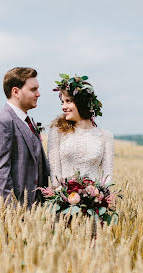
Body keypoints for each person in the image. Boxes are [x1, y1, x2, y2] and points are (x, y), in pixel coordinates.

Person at [0, 67, 50, 208]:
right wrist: (12, 214)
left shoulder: (28, 121)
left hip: (36, 213)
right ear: (16, 92)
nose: (38, 94)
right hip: (15, 215)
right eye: (33, 89)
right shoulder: (1, 122)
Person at [48, 74, 116, 205]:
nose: (63, 106)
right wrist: (64, 198)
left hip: (95, 205)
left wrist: (101, 198)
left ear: (81, 102)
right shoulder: (58, 131)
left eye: (68, 101)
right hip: (64, 204)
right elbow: (54, 173)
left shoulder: (105, 136)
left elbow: (107, 177)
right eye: (62, 102)